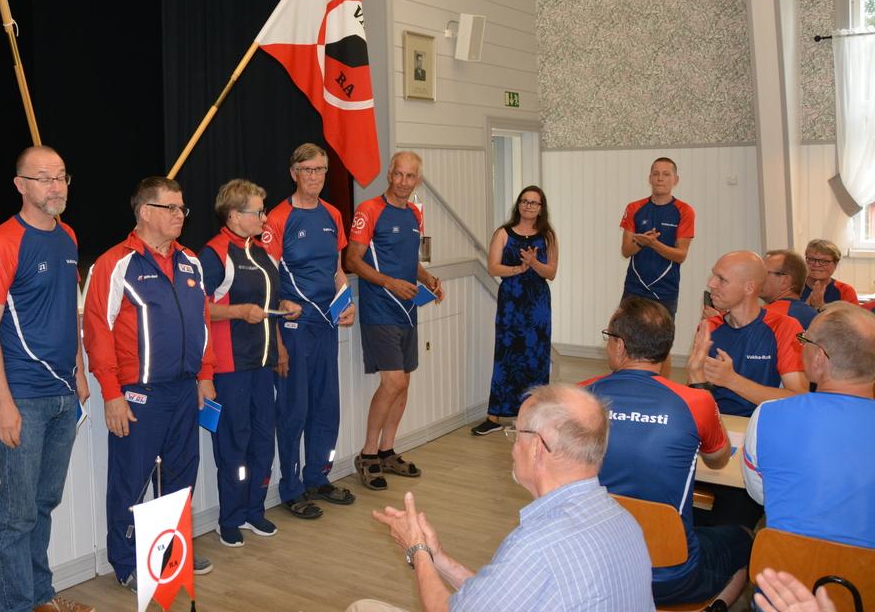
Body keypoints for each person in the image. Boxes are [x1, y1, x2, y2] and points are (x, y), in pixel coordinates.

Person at [348, 384, 654, 612]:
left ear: (537, 448)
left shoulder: (537, 545)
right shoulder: (624, 521)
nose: (513, 448)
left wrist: (417, 551)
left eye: (516, 434)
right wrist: (437, 558)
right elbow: (495, 600)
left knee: (362, 608)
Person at [0, 146, 95, 612]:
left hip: (63, 395)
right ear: (20, 185)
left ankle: (41, 598)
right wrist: (3, 403)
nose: (55, 186)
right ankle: (15, 606)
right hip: (22, 398)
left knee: (43, 503)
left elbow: (70, 312)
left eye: (61, 177)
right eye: (44, 178)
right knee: (17, 514)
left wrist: (79, 370)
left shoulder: (68, 237)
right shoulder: (1, 243)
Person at [82, 177, 216, 589]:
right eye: (170, 208)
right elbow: (96, 332)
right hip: (139, 395)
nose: (180, 215)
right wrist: (112, 394)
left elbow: (202, 323)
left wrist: (205, 376)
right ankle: (127, 564)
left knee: (179, 479)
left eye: (182, 208)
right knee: (131, 481)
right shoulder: (114, 264)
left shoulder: (190, 261)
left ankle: (169, 554)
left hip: (184, 391)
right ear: (144, 212)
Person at [583, 297, 750, 608]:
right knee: (746, 538)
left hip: (594, 565)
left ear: (620, 346)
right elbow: (718, 460)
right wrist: (698, 382)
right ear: (666, 349)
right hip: (671, 577)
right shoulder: (695, 402)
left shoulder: (580, 396)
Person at [199, 179, 301, 547]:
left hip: (263, 362)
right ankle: (230, 517)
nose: (264, 218)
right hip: (230, 367)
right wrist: (238, 311)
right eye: (257, 212)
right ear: (233, 215)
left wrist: (281, 333)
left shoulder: (261, 253)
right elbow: (198, 309)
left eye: (263, 211)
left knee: (262, 438)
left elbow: (269, 305)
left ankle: (255, 509)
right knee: (234, 442)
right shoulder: (213, 254)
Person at [263, 143, 356, 520]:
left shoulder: (332, 214)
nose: (315, 176)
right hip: (294, 328)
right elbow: (267, 279)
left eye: (320, 170)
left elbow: (337, 270)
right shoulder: (278, 218)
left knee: (325, 405)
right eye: (308, 170)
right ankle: (291, 487)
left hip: (326, 325)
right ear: (294, 173)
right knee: (294, 409)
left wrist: (347, 301)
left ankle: (318, 476)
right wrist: (279, 318)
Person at [345, 152, 443, 490]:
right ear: (389, 174)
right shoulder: (369, 210)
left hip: (407, 309)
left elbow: (409, 260)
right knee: (393, 382)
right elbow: (352, 260)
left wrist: (428, 279)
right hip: (379, 311)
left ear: (418, 179)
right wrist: (389, 283)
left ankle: (387, 450)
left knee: (404, 383)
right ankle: (368, 454)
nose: (403, 181)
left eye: (410, 176)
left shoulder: (415, 213)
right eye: (398, 174)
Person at [742, 302, 875, 548]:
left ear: (819, 358)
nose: (800, 346)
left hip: (786, 565)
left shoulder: (767, 415)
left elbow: (761, 494)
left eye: (804, 340)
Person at [473, 185, 558, 436]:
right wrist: (518, 269)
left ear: (541, 208)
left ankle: (533, 417)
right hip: (511, 301)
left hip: (537, 303)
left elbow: (551, 272)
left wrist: (533, 263)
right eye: (524, 201)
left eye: (534, 202)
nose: (528, 206)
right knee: (506, 355)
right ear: (518, 205)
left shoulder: (548, 236)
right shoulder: (503, 233)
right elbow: (493, 267)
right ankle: (494, 416)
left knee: (536, 357)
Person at [688, 251, 808, 418]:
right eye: (713, 275)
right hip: (720, 422)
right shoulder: (709, 327)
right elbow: (696, 396)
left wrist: (731, 380)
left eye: (722, 279)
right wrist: (696, 377)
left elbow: (798, 399)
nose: (711, 283)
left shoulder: (784, 327)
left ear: (749, 288)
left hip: (762, 423)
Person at [620, 158, 694, 318]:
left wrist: (654, 244)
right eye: (656, 174)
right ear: (650, 178)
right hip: (634, 289)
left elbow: (681, 255)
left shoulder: (685, 211)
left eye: (666, 174)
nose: (660, 178)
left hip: (665, 292)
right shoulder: (634, 208)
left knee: (661, 335)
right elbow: (625, 251)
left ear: (675, 180)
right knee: (624, 333)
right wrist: (641, 243)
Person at [760, 250, 818, 330]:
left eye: (763, 272)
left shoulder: (767, 316)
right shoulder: (814, 316)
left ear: (785, 281)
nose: (756, 277)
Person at [800, 239, 859, 310]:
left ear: (835, 264)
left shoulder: (845, 291)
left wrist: (820, 306)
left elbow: (852, 317)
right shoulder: (793, 287)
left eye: (823, 261)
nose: (817, 264)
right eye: (812, 259)